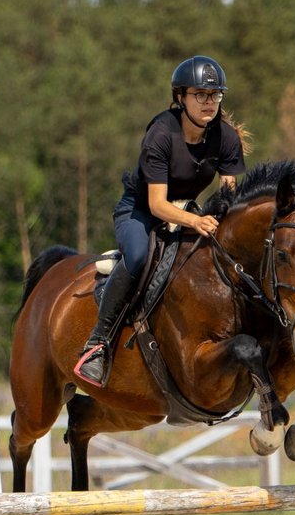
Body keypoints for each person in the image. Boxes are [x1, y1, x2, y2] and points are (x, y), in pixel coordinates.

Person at [73, 55, 249, 388]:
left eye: (215, 95)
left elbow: (229, 196)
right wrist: (195, 222)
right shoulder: (161, 133)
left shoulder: (226, 137)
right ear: (180, 97)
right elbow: (156, 204)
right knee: (139, 256)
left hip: (188, 212)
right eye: (200, 94)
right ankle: (97, 343)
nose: (209, 102)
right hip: (139, 211)